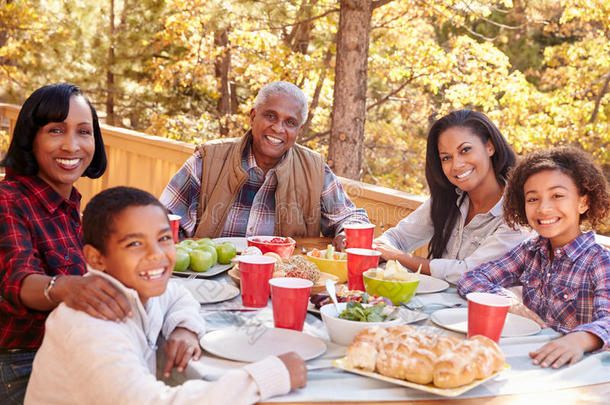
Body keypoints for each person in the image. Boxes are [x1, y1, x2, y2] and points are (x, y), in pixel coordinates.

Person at [25, 186, 307, 404]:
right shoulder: (90, 326)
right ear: (96, 259)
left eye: (163, 239)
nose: (156, 255)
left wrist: (184, 328)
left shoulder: (138, 287)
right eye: (135, 243)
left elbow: (178, 296)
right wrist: (265, 378)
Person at [0, 83, 132, 404]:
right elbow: (17, 282)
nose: (72, 146)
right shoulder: (8, 200)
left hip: (66, 350)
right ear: (31, 137)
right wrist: (67, 288)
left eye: (83, 132)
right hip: (17, 365)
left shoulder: (70, 204)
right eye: (56, 130)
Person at [160, 81, 369, 248]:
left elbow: (351, 217)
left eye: (290, 122)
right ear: (253, 117)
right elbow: (163, 220)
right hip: (212, 281)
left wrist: (347, 233)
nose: (278, 128)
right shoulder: (207, 160)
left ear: (299, 130)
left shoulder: (314, 170)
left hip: (281, 286)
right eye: (270, 116)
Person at [458, 147, 610, 369]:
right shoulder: (530, 251)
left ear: (583, 203)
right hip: (528, 362)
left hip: (579, 375)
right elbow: (471, 278)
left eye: (557, 196)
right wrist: (507, 302)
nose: (543, 208)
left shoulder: (600, 262)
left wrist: (580, 339)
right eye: (532, 199)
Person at [373, 110, 532, 283]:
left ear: (490, 146)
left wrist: (399, 257)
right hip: (428, 305)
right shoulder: (448, 198)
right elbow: (398, 237)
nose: (456, 165)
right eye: (446, 157)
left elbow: (469, 272)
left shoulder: (518, 214)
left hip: (479, 308)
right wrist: (377, 249)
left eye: (465, 150)